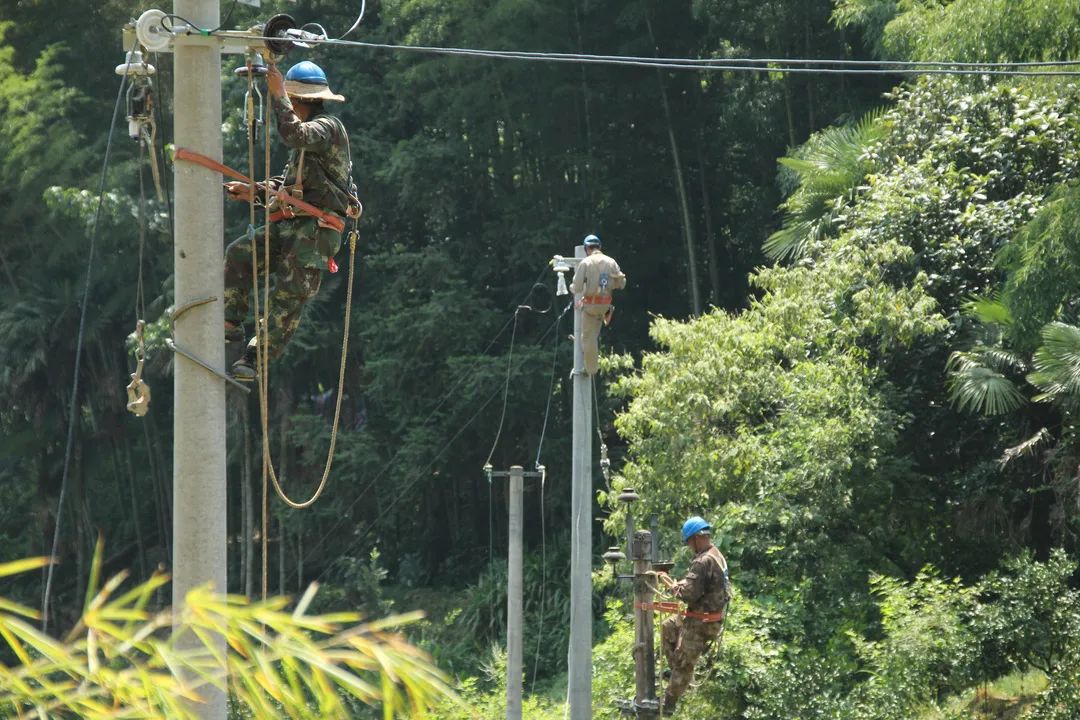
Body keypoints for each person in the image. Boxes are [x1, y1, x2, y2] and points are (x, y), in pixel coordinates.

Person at [223, 60, 359, 380]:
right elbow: (288, 188)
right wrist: (253, 192)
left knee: (286, 294)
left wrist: (277, 93)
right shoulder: (306, 144)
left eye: (289, 101)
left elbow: (292, 133)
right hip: (291, 223)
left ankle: (256, 357)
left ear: (299, 100)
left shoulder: (327, 128)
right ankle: (230, 323)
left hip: (316, 231)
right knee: (240, 253)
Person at [656, 516, 731, 715]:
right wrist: (681, 583)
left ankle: (668, 703)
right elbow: (700, 585)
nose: (689, 547)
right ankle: (677, 676)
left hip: (702, 623)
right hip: (705, 616)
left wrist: (669, 583)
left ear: (697, 538)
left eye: (689, 542)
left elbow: (689, 595)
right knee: (668, 627)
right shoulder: (715, 554)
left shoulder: (703, 561)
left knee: (683, 663)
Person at [569, 234, 626, 375]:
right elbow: (622, 283)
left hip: (590, 307)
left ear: (587, 248)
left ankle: (590, 370)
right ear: (599, 247)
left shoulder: (586, 263)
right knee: (593, 336)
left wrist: (574, 288)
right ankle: (591, 362)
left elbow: (576, 287)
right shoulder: (611, 262)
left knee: (588, 339)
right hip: (605, 306)